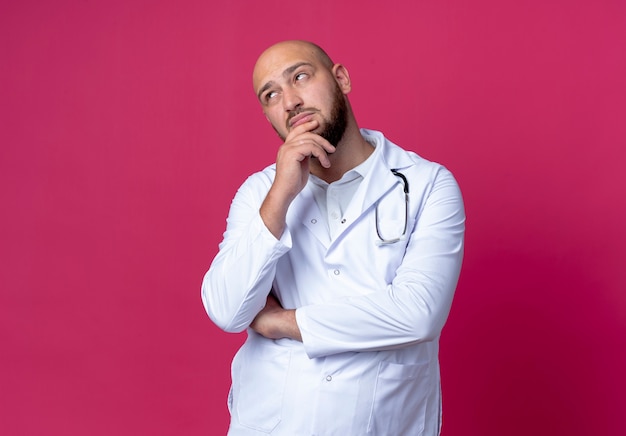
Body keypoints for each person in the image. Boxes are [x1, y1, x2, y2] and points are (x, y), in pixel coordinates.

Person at [201, 40, 465, 435]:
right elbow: (226, 309)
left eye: (300, 77)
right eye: (271, 94)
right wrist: (282, 195)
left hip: (382, 422)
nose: (290, 101)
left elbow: (417, 314)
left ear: (341, 79)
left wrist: (281, 323)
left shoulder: (428, 184)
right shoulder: (260, 194)